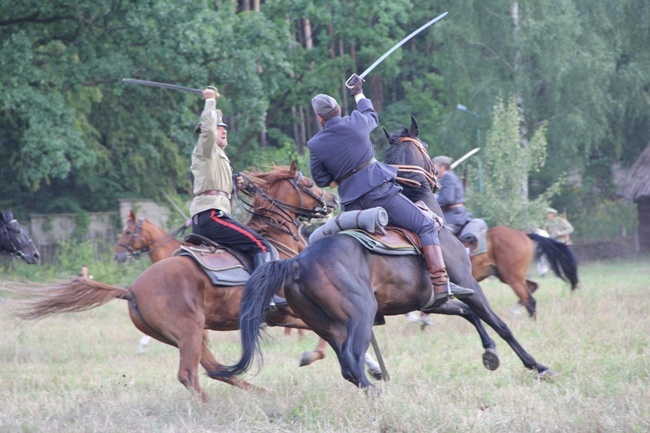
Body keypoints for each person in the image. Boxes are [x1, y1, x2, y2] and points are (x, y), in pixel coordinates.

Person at [307, 74, 473, 307]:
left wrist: (338, 179)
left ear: (319, 118)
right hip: (380, 195)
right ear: (338, 109)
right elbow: (371, 114)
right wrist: (358, 92)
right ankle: (440, 283)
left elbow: (322, 179)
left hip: (352, 207)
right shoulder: (356, 121)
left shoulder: (314, 144)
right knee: (425, 225)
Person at [189, 87, 274, 276]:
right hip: (211, 215)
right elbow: (208, 131)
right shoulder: (205, 148)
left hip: (214, 214)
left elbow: (216, 185)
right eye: (219, 128)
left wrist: (234, 184)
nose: (223, 130)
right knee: (261, 245)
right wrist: (210, 101)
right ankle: (262, 294)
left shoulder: (218, 157)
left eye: (224, 128)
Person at [431, 156, 473, 237]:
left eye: (435, 167)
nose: (434, 170)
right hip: (457, 214)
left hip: (453, 216)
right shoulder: (451, 176)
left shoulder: (447, 177)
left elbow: (447, 199)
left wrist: (432, 200)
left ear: (442, 167)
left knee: (436, 235)